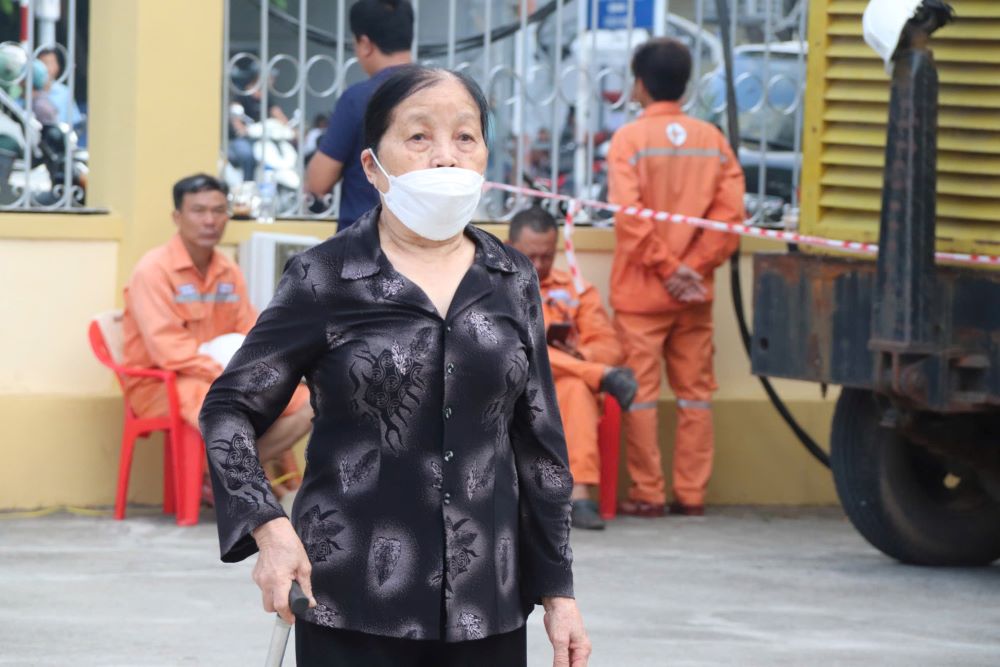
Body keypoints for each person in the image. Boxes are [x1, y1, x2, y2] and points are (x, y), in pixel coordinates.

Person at [201, 66, 590, 666]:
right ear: (369, 166)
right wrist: (269, 530)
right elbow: (229, 409)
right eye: (418, 137)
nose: (445, 157)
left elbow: (538, 444)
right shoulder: (325, 277)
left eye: (465, 137)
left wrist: (559, 593)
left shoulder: (512, 278)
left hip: (487, 605)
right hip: (352, 602)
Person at [607, 38, 744, 518]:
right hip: (694, 295)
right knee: (696, 399)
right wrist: (694, 270)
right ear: (686, 84)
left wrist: (668, 268)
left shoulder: (629, 141)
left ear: (639, 84)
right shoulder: (713, 140)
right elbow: (730, 219)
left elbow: (630, 219)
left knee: (640, 399)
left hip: (642, 296)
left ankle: (648, 494)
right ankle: (691, 495)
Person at [121, 174, 310, 502]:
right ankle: (250, 483)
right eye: (198, 211)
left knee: (308, 400)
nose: (210, 220)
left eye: (219, 210)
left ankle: (239, 472)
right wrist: (231, 376)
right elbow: (168, 350)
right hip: (162, 382)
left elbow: (252, 331)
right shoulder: (153, 270)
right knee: (225, 404)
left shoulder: (227, 269)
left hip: (222, 374)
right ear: (177, 217)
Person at [507, 206, 637, 531]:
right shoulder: (493, 286)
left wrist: (580, 352)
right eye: (530, 255)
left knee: (576, 387)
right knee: (527, 351)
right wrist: (594, 370)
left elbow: (611, 346)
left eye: (546, 256)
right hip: (510, 381)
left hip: (561, 383)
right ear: (510, 246)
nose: (538, 265)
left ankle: (579, 497)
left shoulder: (576, 290)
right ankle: (602, 379)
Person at [305, 0, 413, 229]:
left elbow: (317, 183)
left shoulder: (358, 99)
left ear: (365, 43)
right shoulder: (440, 95)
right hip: (426, 247)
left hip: (363, 246)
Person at [37, 47, 84, 130]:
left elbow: (75, 122)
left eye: (49, 63)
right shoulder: (28, 91)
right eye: (41, 63)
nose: (45, 68)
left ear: (57, 67)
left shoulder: (65, 93)